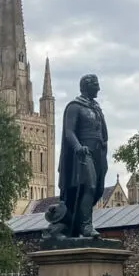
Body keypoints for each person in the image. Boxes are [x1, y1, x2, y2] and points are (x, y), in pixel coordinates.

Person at [55, 74, 109, 238]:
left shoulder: (96, 108)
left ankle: (78, 221)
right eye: (96, 85)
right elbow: (69, 132)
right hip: (83, 154)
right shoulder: (75, 106)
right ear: (87, 86)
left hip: (99, 153)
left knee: (99, 190)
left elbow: (103, 132)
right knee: (89, 186)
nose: (99, 89)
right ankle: (86, 226)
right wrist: (78, 147)